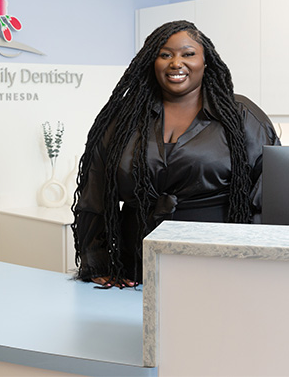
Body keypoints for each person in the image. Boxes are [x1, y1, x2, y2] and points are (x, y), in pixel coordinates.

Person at [72, 20, 280, 287]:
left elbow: (267, 196)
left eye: (188, 54)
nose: (176, 63)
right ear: (151, 62)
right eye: (165, 54)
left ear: (206, 62)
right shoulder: (124, 119)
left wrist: (260, 261)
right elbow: (95, 192)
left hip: (219, 264)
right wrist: (98, 261)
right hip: (136, 266)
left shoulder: (241, 115)